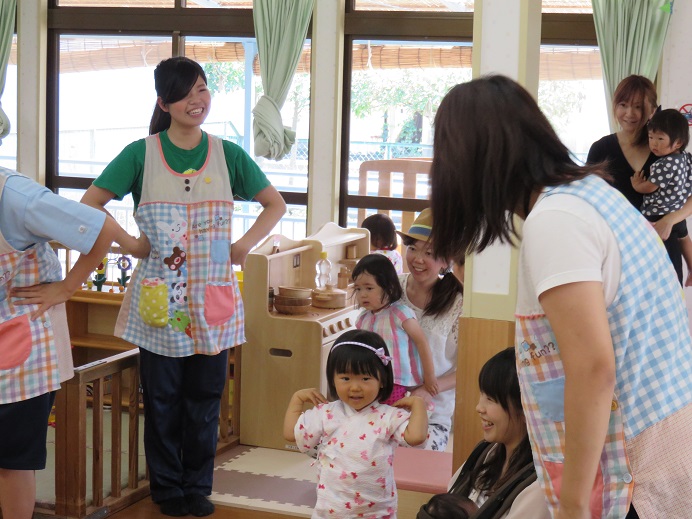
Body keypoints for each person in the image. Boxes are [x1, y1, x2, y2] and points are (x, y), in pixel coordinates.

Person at [430, 75, 692, 519]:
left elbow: (593, 369)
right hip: (657, 455)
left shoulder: (556, 220)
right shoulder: (590, 195)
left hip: (629, 477)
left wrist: (572, 505)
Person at [81, 57, 286, 517]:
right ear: (164, 102)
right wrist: (132, 243)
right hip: (161, 304)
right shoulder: (141, 153)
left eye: (203, 90)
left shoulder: (228, 154)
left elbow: (275, 204)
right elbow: (91, 202)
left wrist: (242, 247)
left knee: (206, 401)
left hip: (213, 303)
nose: (198, 100)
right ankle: (166, 488)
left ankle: (197, 485)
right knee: (162, 401)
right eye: (187, 93)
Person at [0, 168, 149, 519]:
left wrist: (67, 288)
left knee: (11, 460)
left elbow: (103, 229)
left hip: (23, 349)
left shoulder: (17, 197)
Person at [283, 329, 428, 519]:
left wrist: (418, 405)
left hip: (376, 512)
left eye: (365, 379)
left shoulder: (388, 416)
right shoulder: (326, 413)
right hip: (331, 511)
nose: (355, 387)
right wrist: (296, 399)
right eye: (345, 378)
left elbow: (416, 437)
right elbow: (291, 434)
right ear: (333, 379)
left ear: (382, 380)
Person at [421, 348, 550, 519]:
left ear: (526, 408)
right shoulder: (487, 453)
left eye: (490, 399)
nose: (479, 407)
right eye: (482, 395)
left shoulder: (538, 486)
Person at [586, 75, 685, 283]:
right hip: (616, 253)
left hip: (662, 251)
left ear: (652, 110)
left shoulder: (666, 149)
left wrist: (670, 219)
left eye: (638, 107)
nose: (629, 113)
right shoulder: (600, 149)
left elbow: (683, 197)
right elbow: (589, 203)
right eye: (623, 105)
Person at [396, 208, 464, 451]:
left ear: (447, 260)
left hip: (433, 412)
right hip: (385, 405)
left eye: (429, 253)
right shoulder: (391, 290)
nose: (417, 259)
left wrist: (428, 390)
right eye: (412, 248)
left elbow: (468, 367)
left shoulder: (459, 303)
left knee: (419, 453)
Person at [352, 253, 438, 403]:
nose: (362, 295)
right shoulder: (362, 319)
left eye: (369, 288)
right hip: (372, 380)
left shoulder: (400, 313)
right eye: (358, 289)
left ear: (389, 287)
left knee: (395, 413)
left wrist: (429, 377)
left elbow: (421, 342)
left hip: (398, 381)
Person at [631, 108, 692, 285]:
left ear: (678, 142)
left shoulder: (664, 164)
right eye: (651, 137)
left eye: (660, 139)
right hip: (677, 212)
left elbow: (650, 187)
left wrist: (637, 185)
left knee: (661, 259)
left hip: (658, 215)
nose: (654, 144)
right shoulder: (685, 158)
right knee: (684, 238)